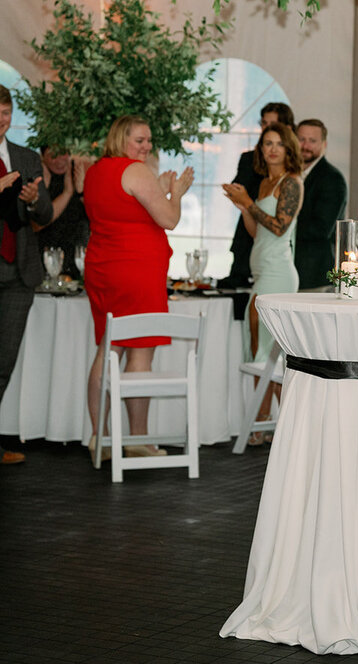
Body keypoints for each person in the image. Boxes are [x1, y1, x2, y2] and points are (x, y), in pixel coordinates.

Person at [83, 115, 193, 461]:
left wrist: (160, 188)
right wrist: (177, 194)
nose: (146, 147)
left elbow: (127, 210)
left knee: (108, 347)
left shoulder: (96, 171)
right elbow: (169, 219)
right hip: (136, 271)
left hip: (104, 267)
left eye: (149, 141)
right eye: (139, 140)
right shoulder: (134, 170)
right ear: (121, 139)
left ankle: (99, 437)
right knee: (141, 351)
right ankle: (138, 440)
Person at [222, 121, 303, 445]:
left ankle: (279, 426)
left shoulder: (291, 182)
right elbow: (258, 232)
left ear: (288, 149)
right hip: (262, 269)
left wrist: (250, 203)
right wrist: (245, 207)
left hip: (278, 272)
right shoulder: (265, 182)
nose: (272, 149)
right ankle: (266, 424)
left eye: (278, 144)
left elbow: (280, 227)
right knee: (260, 347)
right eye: (267, 143)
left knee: (267, 349)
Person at [0, 85, 52, 465]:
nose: (0, 120)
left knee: (3, 364)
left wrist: (34, 201)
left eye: (5, 112)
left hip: (19, 275)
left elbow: (45, 215)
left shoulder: (27, 157)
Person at [220, 102, 294, 288]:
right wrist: (243, 201)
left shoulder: (291, 176)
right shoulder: (249, 159)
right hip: (247, 241)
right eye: (263, 123)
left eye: (272, 124)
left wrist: (247, 201)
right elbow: (237, 192)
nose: (266, 129)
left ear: (287, 129)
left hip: (276, 255)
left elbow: (280, 225)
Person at [292, 118, 347, 291]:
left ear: (324, 144)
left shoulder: (332, 178)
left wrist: (281, 226)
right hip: (289, 269)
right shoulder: (289, 174)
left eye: (312, 141)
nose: (305, 146)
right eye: (301, 139)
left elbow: (322, 229)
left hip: (314, 275)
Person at [33, 145, 89, 281]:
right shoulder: (38, 178)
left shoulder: (80, 172)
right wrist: (66, 192)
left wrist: (82, 191)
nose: (59, 160)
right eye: (53, 155)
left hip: (78, 255)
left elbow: (98, 218)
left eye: (63, 153)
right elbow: (36, 224)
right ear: (43, 157)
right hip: (48, 256)